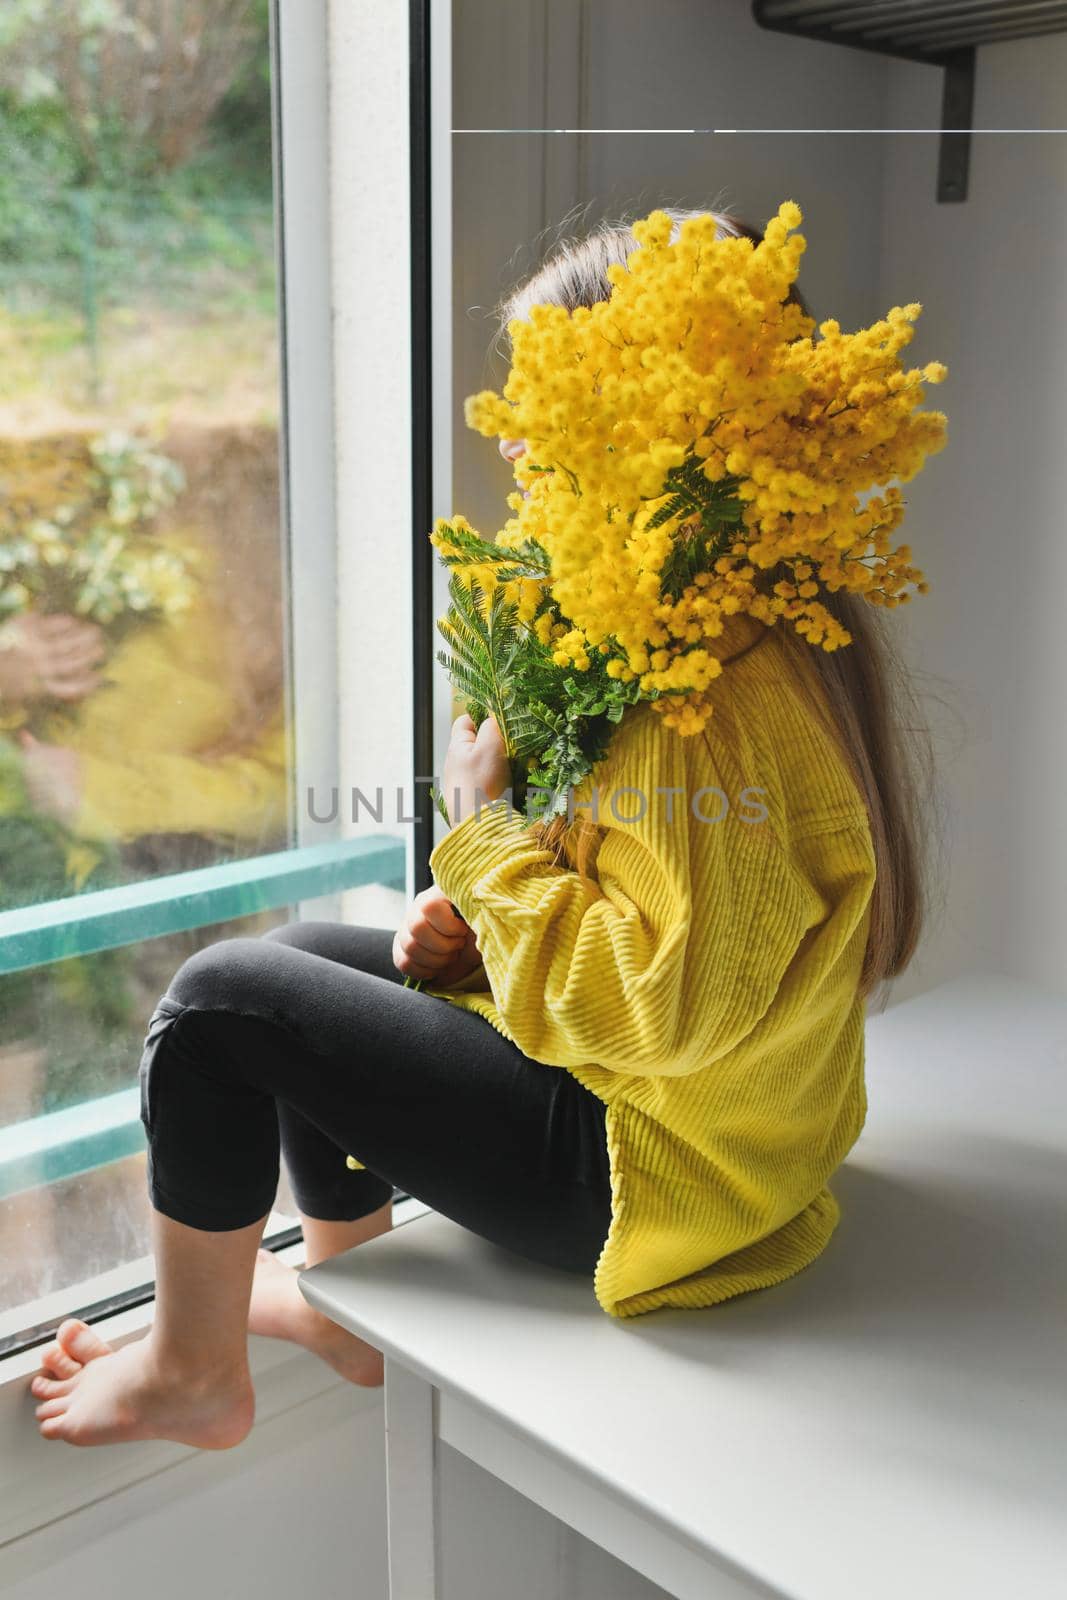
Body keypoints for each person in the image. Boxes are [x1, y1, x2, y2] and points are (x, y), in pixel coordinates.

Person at [29, 206, 936, 1451]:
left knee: (217, 1003)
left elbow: (656, 1007)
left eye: (543, 424)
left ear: (642, 434)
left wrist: (480, 831)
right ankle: (352, 1310)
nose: (513, 458)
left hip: (651, 1176)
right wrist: (492, 936)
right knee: (295, 965)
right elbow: (660, 913)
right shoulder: (700, 637)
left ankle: (195, 1365)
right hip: (710, 1125)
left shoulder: (700, 703)